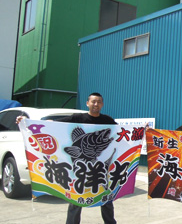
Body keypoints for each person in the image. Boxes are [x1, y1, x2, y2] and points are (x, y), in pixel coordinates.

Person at [18, 92, 118, 224]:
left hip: (99, 169)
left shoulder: (107, 121)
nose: (96, 104)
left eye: (99, 102)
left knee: (106, 197)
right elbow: (54, 125)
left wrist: (142, 130)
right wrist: (25, 122)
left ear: (102, 104)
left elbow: (124, 132)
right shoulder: (78, 118)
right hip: (80, 171)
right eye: (93, 101)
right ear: (88, 103)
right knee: (76, 200)